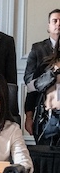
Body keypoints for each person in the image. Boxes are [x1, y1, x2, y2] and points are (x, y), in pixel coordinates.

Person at [24, 9, 60, 137]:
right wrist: (29, 117)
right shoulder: (38, 49)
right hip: (45, 113)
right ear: (48, 26)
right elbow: (30, 83)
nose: (58, 24)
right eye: (55, 21)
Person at [32, 38, 60, 145]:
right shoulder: (47, 64)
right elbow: (35, 87)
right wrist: (54, 72)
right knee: (45, 150)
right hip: (49, 117)